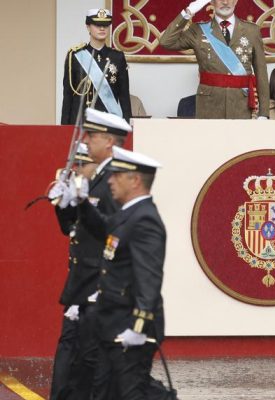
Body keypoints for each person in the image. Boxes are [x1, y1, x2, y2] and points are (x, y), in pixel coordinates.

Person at [48, 108, 130, 400]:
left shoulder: (118, 180)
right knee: (79, 358)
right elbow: (74, 229)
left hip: (100, 284)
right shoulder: (96, 177)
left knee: (95, 362)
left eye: (92, 136)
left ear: (108, 141)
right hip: (82, 281)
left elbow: (115, 233)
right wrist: (64, 203)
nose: (86, 140)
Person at [74, 146, 166, 399]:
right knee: (105, 391)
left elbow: (149, 277)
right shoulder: (129, 213)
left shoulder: (145, 219)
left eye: (117, 175)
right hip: (112, 322)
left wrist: (139, 326)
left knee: (130, 393)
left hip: (130, 326)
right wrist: (82, 203)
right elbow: (104, 229)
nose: (110, 180)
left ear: (135, 180)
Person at [160, 0, 270, 119]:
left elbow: (261, 73)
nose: (225, 2)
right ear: (211, 2)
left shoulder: (251, 31)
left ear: (236, 1)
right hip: (209, 106)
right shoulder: (198, 30)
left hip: (240, 106)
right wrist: (188, 13)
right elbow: (166, 42)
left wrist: (264, 113)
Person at [61, 9, 132, 125]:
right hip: (80, 123)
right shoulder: (75, 56)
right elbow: (68, 97)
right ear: (88, 27)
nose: (102, 28)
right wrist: (64, 129)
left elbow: (124, 96)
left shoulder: (118, 57)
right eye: (97, 25)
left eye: (106, 25)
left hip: (108, 123)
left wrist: (127, 126)